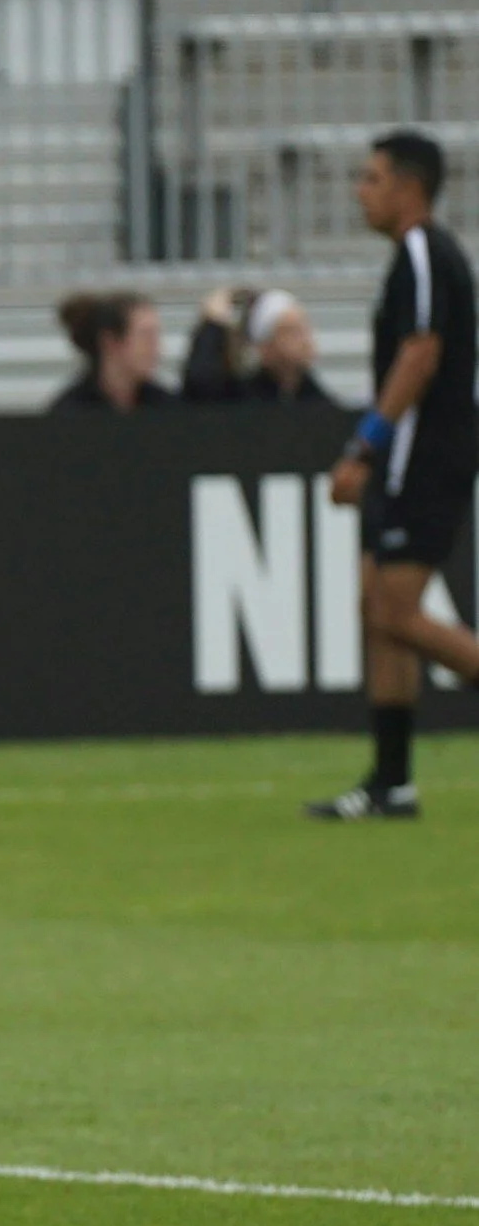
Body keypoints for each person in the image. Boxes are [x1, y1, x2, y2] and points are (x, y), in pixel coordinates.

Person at [311, 131, 479, 820]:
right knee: (377, 606)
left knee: (395, 610)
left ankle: (390, 779)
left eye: (372, 178)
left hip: (426, 452)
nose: (361, 190)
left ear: (409, 188)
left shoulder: (422, 252)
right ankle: (391, 782)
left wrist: (363, 447)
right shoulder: (417, 257)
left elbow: (420, 356)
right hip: (413, 453)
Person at [182, 287, 332, 404]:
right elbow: (200, 386)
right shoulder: (243, 398)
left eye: (305, 329)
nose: (305, 340)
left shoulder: (313, 396)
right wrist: (213, 327)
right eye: (291, 331)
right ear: (264, 347)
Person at [48, 291, 174, 411]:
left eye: (155, 336)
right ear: (110, 342)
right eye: (145, 336)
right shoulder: (70, 412)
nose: (156, 348)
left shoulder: (168, 407)